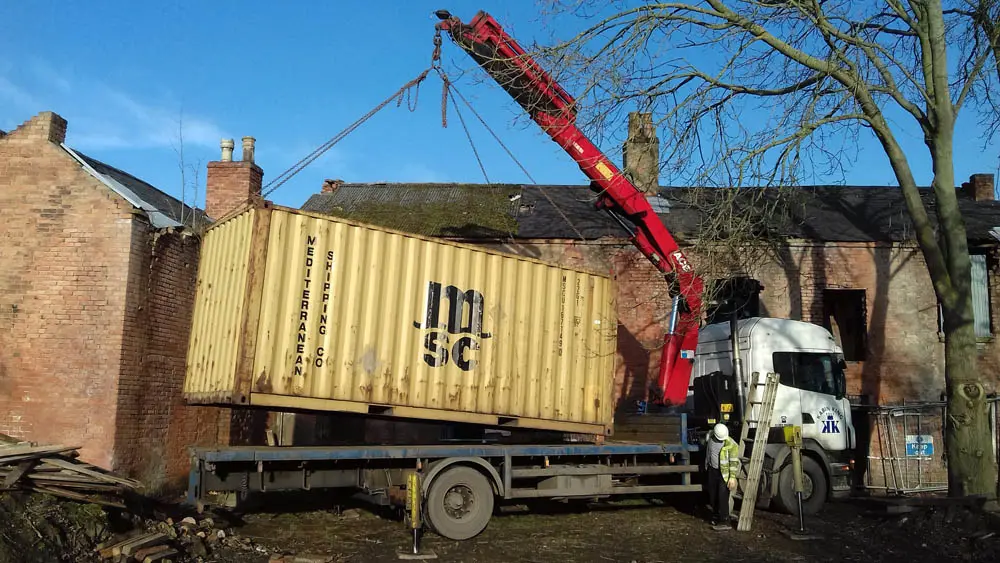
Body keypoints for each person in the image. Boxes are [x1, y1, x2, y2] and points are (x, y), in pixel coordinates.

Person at [704, 423, 740, 527]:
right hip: (712, 470)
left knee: (722, 497)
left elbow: (733, 462)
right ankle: (716, 516)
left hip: (724, 474)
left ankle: (724, 520)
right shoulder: (710, 438)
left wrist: (732, 477)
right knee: (713, 495)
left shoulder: (731, 444)